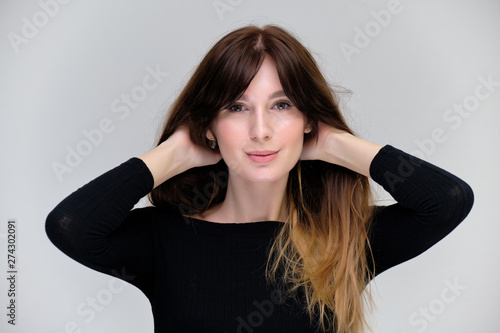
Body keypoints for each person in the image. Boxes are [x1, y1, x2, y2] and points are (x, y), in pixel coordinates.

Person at [45, 25, 474, 333]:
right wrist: (176, 152)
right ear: (208, 126)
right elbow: (71, 227)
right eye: (236, 106)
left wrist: (335, 144)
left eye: (282, 105)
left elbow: (448, 200)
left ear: (309, 120)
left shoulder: (345, 238)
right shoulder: (164, 238)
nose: (261, 130)